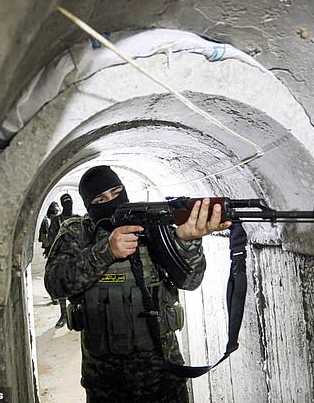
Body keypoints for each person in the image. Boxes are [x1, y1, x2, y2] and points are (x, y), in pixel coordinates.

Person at [44, 166, 231, 402]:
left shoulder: (152, 226)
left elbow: (191, 281)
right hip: (106, 383)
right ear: (89, 205)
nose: (112, 201)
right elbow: (55, 284)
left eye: (116, 192)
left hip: (165, 377)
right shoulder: (77, 234)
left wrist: (187, 242)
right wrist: (105, 252)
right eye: (100, 199)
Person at [48, 193, 79, 328]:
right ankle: (64, 315)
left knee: (78, 285)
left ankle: (77, 313)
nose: (68, 204)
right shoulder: (56, 220)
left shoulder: (78, 219)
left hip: (77, 258)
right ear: (62, 204)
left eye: (70, 201)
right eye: (65, 202)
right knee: (61, 286)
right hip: (62, 259)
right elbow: (51, 239)